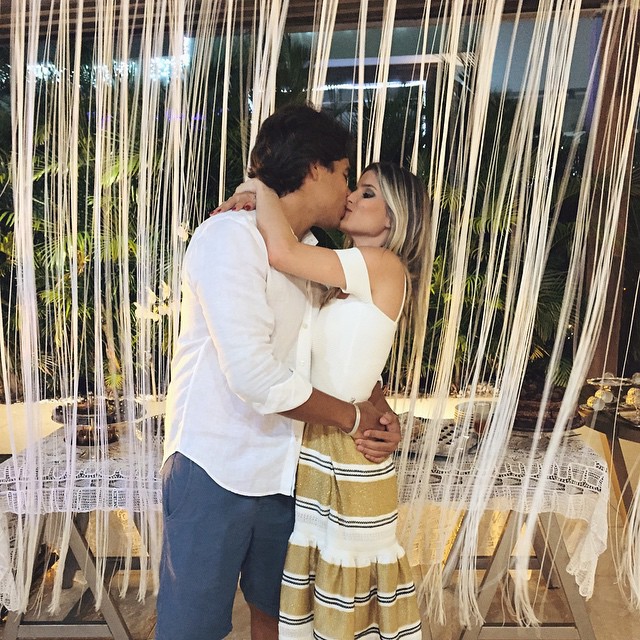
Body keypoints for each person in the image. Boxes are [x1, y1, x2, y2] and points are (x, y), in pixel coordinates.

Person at [155, 104, 402, 640]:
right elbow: (254, 376)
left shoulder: (309, 255)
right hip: (215, 465)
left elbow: (330, 355)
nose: (347, 191)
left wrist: (380, 408)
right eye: (345, 175)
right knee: (192, 629)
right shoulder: (230, 238)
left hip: (290, 473)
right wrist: (353, 418)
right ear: (315, 169)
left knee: (280, 618)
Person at [230, 161, 431, 639]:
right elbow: (358, 367)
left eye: (367, 193)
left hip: (349, 451)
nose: (351, 197)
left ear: (394, 217)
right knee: (325, 588)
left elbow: (281, 251)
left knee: (348, 594)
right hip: (321, 445)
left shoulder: (380, 264)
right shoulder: (346, 275)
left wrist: (260, 183)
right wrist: (383, 409)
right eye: (354, 187)